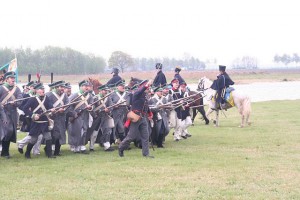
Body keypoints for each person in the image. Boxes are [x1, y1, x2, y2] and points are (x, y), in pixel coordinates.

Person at [118, 79, 154, 158]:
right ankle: (121, 147)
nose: (148, 88)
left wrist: (149, 113)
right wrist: (146, 85)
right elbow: (141, 90)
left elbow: (146, 106)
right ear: (141, 86)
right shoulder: (136, 93)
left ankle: (146, 154)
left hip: (143, 117)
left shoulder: (144, 96)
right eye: (146, 86)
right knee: (131, 136)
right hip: (136, 117)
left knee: (145, 136)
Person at [22, 83, 56, 159]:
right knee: (33, 140)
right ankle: (27, 153)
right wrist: (33, 115)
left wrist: (52, 109)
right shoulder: (32, 99)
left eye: (43, 90)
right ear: (37, 91)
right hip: (36, 123)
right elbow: (25, 108)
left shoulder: (46, 98)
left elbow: (50, 106)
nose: (42, 91)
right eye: (41, 89)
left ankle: (49, 155)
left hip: (44, 122)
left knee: (48, 138)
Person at [0, 71, 22, 159]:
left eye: (13, 78)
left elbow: (20, 100)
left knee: (11, 132)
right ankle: (4, 152)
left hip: (13, 113)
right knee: (7, 131)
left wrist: (15, 103)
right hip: (3, 113)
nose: (13, 80)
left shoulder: (17, 89)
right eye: (11, 78)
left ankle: (5, 152)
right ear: (7, 79)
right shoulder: (1, 88)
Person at [67, 80, 93, 154]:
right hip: (77, 116)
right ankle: (75, 147)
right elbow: (69, 106)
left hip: (85, 115)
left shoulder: (89, 96)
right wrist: (74, 114)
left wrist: (90, 107)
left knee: (84, 130)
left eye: (88, 86)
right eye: (85, 86)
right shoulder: (75, 95)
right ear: (81, 87)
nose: (87, 88)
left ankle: (82, 146)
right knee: (76, 131)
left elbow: (92, 104)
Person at [88, 84, 114, 152]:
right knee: (94, 133)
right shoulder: (95, 98)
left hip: (105, 116)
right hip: (97, 117)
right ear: (100, 90)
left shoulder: (108, 98)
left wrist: (108, 109)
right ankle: (91, 146)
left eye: (106, 90)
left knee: (107, 131)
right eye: (104, 90)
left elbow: (111, 106)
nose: (106, 92)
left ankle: (107, 146)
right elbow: (92, 109)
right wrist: (95, 115)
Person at [46, 80, 69, 156]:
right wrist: (53, 111)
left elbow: (67, 105)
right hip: (52, 118)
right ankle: (48, 150)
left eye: (63, 87)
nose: (63, 88)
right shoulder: (49, 95)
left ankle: (57, 151)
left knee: (60, 135)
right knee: (53, 135)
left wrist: (63, 110)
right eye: (61, 87)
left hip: (61, 118)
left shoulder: (64, 96)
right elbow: (46, 105)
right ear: (56, 87)